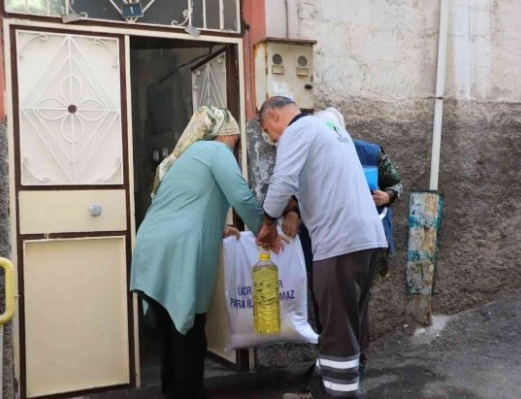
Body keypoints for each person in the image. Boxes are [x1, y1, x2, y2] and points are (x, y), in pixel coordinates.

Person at [256, 96, 388, 399]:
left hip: (339, 244)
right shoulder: (331, 130)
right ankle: (322, 390)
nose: (272, 139)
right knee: (348, 324)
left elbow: (281, 183)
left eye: (267, 131)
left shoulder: (296, 132)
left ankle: (338, 394)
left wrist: (267, 223)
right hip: (367, 240)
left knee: (338, 330)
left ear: (274, 117)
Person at [130, 106, 264, 399]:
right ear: (225, 133)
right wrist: (266, 230)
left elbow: (188, 203)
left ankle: (174, 391)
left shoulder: (186, 157)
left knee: (168, 332)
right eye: (235, 138)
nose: (236, 144)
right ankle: (190, 393)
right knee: (189, 332)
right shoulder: (217, 152)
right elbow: (240, 195)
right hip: (177, 250)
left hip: (151, 248)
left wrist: (219, 228)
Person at [292, 107, 403, 377]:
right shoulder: (308, 153)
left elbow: (396, 183)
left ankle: (354, 361)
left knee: (354, 305)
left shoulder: (370, 152)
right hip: (321, 239)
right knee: (327, 303)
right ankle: (331, 359)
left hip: (362, 239)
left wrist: (386, 196)